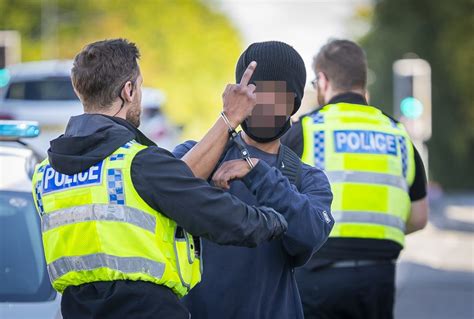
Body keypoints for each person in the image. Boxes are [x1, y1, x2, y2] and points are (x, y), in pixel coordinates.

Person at [31, 38, 289, 319]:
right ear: (128, 90)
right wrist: (276, 221)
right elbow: (224, 218)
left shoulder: (45, 173)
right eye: (139, 86)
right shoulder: (139, 163)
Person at [174, 41, 335, 319]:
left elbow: (309, 236)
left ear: (293, 103)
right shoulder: (195, 154)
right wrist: (227, 120)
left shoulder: (306, 178)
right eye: (255, 93)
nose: (265, 104)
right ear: (240, 96)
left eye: (279, 95)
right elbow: (170, 190)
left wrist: (258, 173)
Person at [282, 39, 429, 319]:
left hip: (318, 277)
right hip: (379, 278)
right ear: (362, 83)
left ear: (323, 81)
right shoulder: (398, 135)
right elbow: (419, 217)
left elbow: (274, 199)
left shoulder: (308, 130)